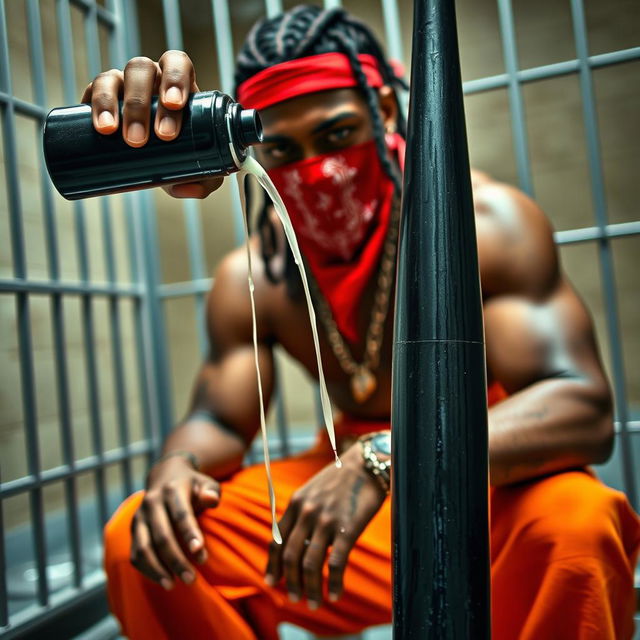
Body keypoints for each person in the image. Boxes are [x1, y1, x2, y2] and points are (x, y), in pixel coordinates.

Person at [88, 6, 640, 639]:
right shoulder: (258, 276)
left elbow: (584, 407)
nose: (319, 169)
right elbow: (218, 419)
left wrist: (387, 456)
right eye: (283, 149)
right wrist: (175, 467)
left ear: (382, 111)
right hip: (344, 503)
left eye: (337, 134)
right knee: (145, 536)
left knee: (579, 523)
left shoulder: (482, 226)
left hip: (480, 482)